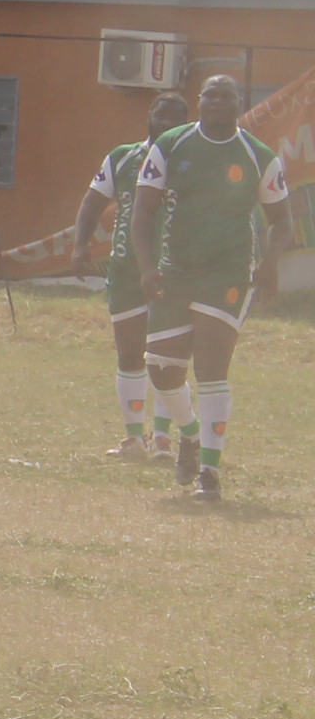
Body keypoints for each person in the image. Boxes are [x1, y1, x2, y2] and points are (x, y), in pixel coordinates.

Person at [133, 74, 296, 503]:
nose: (220, 101)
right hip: (175, 269)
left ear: (239, 103)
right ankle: (188, 433)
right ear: (200, 101)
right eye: (212, 95)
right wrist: (147, 266)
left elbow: (282, 222)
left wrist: (270, 263)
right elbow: (143, 211)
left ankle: (209, 472)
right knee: (161, 369)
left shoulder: (258, 155)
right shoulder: (170, 144)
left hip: (227, 273)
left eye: (228, 96)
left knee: (210, 368)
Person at [74, 91, 194, 466]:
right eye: (160, 114)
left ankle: (164, 439)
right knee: (129, 353)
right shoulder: (123, 157)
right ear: (149, 116)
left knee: (166, 359)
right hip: (126, 270)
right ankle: (133, 439)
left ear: (186, 124)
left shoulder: (193, 162)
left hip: (173, 271)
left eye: (176, 118)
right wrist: (81, 246)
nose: (166, 122)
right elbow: (93, 202)